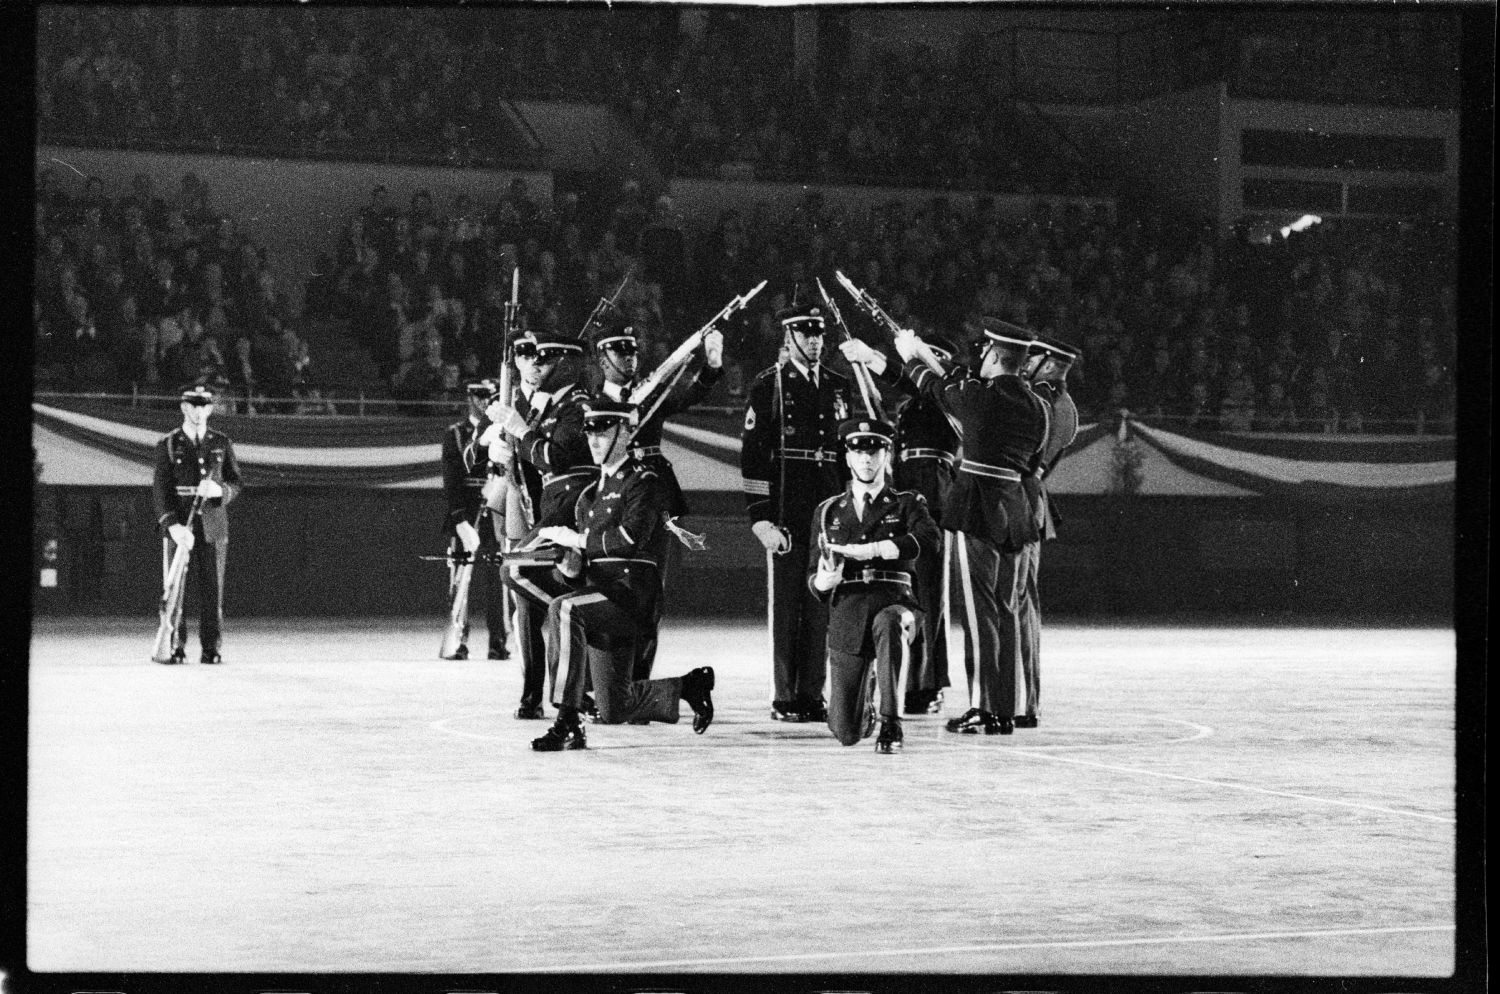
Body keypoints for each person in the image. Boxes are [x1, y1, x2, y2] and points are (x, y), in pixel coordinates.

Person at [527, 400, 716, 751]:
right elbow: (584, 566)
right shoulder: (588, 496)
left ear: (625, 432)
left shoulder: (643, 481)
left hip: (632, 597)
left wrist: (579, 540)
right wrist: (570, 568)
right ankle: (689, 686)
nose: (595, 441)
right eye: (590, 433)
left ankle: (567, 721)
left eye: (603, 431)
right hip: (602, 600)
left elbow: (630, 539)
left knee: (563, 610)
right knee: (614, 707)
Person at [893, 316, 1047, 735]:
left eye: (984, 353)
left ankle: (983, 706)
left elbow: (936, 388)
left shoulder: (980, 397)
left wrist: (911, 357)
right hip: (1016, 508)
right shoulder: (1038, 408)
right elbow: (1032, 466)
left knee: (980, 615)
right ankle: (1009, 707)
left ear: (996, 355)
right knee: (1008, 610)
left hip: (977, 508)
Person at [588, 313, 725, 678]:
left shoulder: (651, 395)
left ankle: (638, 683)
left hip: (651, 498)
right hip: (610, 498)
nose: (630, 358)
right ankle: (603, 681)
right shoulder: (590, 404)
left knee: (648, 592)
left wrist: (711, 366)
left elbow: (686, 396)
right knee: (604, 588)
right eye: (620, 351)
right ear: (603, 359)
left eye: (632, 350)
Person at [740, 299, 852, 722]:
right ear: (788, 336)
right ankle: (785, 695)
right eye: (806, 333)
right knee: (787, 607)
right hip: (787, 506)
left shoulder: (840, 384)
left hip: (826, 508)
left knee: (820, 601)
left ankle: (812, 693)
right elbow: (753, 455)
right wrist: (761, 519)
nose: (815, 341)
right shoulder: (770, 383)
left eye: (819, 333)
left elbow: (845, 453)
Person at [838, 333, 961, 716]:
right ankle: (908, 678)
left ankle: (928, 683)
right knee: (905, 590)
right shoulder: (914, 403)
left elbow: (915, 386)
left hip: (932, 488)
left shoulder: (943, 396)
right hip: (907, 485)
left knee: (928, 594)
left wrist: (875, 357)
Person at [809, 418, 941, 753]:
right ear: (848, 458)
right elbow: (814, 583)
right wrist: (828, 572)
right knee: (845, 732)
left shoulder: (908, 503)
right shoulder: (827, 511)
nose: (866, 459)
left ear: (887, 456)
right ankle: (866, 692)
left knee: (890, 623)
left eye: (875, 451)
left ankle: (891, 723)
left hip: (894, 601)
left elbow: (930, 539)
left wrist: (872, 550)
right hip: (849, 611)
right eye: (858, 452)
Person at [486, 330, 593, 719]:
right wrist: (498, 454)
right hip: (525, 507)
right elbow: (475, 456)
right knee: (524, 601)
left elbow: (553, 455)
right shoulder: (518, 401)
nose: (533, 363)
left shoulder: (559, 404)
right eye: (526, 356)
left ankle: (567, 688)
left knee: (534, 586)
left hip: (557, 511)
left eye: (541, 357)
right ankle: (532, 692)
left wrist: (518, 434)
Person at [150, 383, 244, 665]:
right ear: (184, 408)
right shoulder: (168, 444)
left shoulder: (221, 442)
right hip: (180, 526)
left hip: (213, 525)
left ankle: (210, 647)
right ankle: (175, 645)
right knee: (176, 589)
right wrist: (173, 526)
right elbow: (160, 491)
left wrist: (219, 492)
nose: (200, 411)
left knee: (212, 589)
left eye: (204, 406)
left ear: (211, 409)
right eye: (194, 405)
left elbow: (235, 482)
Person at [1017, 335, 1082, 729]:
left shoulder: (1044, 403)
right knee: (1022, 603)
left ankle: (1024, 700)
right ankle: (1024, 698)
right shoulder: (1061, 403)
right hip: (1030, 501)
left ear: (1047, 363)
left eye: (1032, 358)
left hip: (1022, 499)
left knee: (1020, 604)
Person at [438, 379, 509, 660]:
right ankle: (458, 640)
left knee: (498, 579)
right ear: (469, 399)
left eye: (488, 397)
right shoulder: (456, 434)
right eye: (479, 397)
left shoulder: (500, 432)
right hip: (467, 513)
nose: (484, 402)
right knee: (460, 582)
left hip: (493, 512)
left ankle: (498, 642)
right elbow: (452, 479)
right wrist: (458, 519)